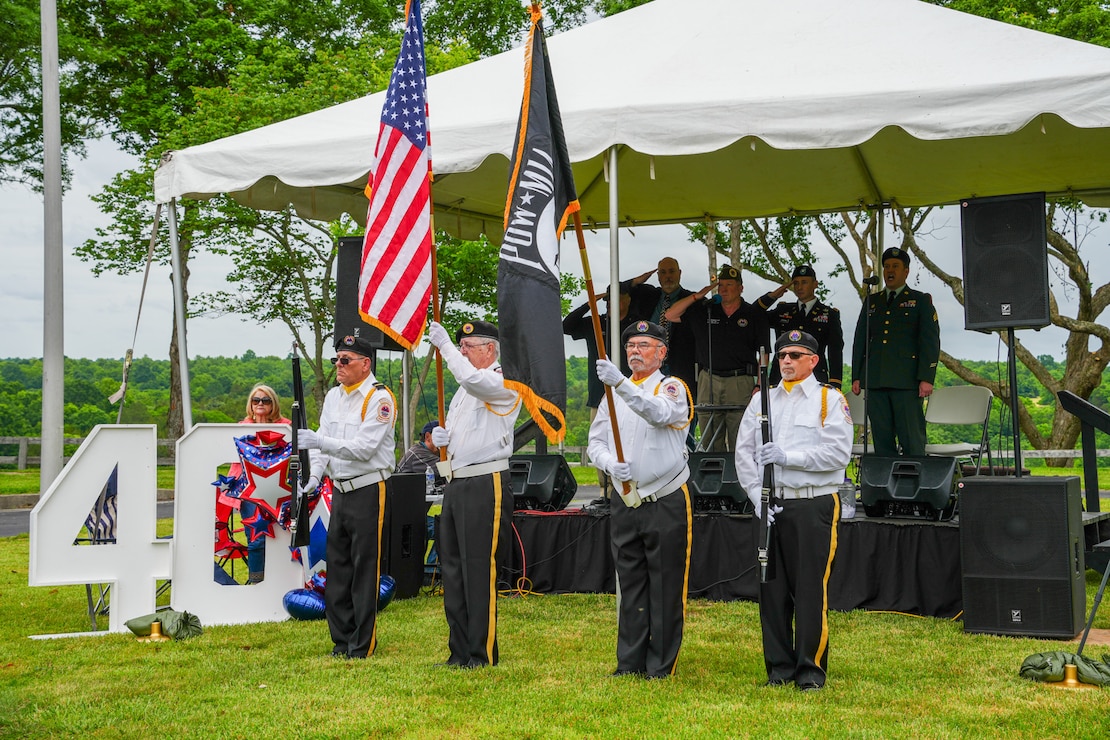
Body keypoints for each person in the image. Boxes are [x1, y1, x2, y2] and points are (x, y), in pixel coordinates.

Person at [734, 329, 852, 691]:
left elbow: (837, 455)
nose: (786, 360)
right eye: (782, 354)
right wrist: (757, 497)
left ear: (813, 361)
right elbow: (744, 453)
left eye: (796, 355)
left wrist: (790, 458)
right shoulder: (762, 401)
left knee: (810, 590)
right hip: (772, 503)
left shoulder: (828, 401)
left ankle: (810, 671)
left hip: (812, 502)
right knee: (772, 590)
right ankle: (779, 669)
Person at [588, 320, 693, 679]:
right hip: (625, 500)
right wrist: (607, 464)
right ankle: (629, 662)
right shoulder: (613, 393)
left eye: (644, 345)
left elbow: (658, 413)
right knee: (629, 582)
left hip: (664, 498)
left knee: (664, 585)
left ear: (661, 352)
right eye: (631, 346)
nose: (635, 351)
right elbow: (596, 441)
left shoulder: (672, 387)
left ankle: (660, 665)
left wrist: (619, 383)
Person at [427, 319, 521, 668]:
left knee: (479, 569)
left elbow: (471, 378)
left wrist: (446, 348)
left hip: (486, 481)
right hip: (456, 481)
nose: (462, 351)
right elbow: (466, 424)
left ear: (490, 349)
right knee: (452, 568)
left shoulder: (504, 380)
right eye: (461, 347)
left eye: (468, 346)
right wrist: (445, 439)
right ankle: (459, 651)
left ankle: (481, 653)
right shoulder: (467, 386)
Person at [297, 335, 397, 659]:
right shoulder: (333, 397)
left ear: (365, 364)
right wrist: (314, 476)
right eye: (335, 360)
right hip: (339, 490)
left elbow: (364, 449)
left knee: (364, 568)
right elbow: (323, 443)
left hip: (369, 489)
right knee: (337, 567)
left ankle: (361, 644)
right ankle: (340, 641)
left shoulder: (379, 399)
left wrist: (319, 443)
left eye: (345, 360)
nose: (338, 366)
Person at [665, 264, 769, 452]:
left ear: (741, 288)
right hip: (709, 379)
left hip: (740, 381)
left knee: (740, 436)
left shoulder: (753, 314)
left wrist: (759, 385)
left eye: (729, 285)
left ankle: (738, 479)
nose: (724, 289)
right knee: (710, 434)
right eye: (721, 285)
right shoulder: (706, 310)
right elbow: (670, 315)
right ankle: (714, 478)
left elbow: (764, 353)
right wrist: (697, 296)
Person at [850, 247, 940, 457]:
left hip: (906, 382)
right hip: (876, 380)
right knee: (882, 439)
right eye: (887, 267)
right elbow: (860, 340)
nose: (890, 271)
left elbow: (930, 342)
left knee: (911, 438)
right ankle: (886, 488)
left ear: (906, 271)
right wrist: (857, 375)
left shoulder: (920, 301)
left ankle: (916, 485)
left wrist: (927, 377)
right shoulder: (873, 301)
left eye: (895, 267)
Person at [228, 384, 292, 584]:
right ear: (250, 404)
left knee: (283, 539)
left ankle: (282, 584)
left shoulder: (287, 427)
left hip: (281, 490)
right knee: (255, 540)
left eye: (266, 400)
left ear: (274, 403)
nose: (260, 404)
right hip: (250, 490)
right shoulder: (241, 428)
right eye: (256, 400)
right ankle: (256, 583)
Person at [755, 264, 844, 389]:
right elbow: (754, 315)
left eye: (804, 282)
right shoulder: (783, 310)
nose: (799, 287)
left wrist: (835, 383)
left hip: (815, 378)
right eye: (796, 283)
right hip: (781, 377)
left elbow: (835, 351)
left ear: (815, 284)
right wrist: (773, 296)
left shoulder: (829, 314)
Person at [627, 257, 698, 398]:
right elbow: (617, 289)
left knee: (681, 415)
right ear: (658, 276)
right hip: (649, 369)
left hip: (680, 369)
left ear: (680, 273)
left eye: (671, 272)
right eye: (663, 273)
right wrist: (639, 280)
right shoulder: (648, 297)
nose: (668, 277)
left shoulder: (692, 300)